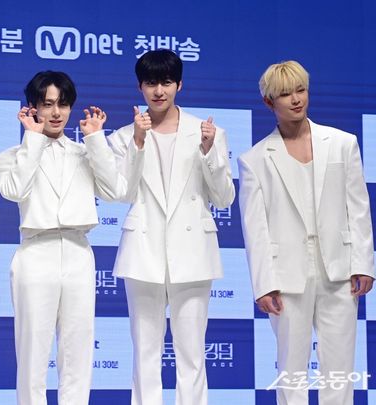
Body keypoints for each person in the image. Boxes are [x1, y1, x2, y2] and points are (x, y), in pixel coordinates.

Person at [238, 60, 375, 404]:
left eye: (301, 90)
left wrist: (363, 263)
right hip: (286, 276)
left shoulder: (342, 143)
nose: (296, 100)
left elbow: (358, 207)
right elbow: (255, 228)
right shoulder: (254, 159)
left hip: (339, 269)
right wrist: (263, 283)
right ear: (269, 102)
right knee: (291, 370)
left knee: (340, 368)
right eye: (286, 94)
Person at [108, 49, 235, 405]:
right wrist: (137, 143)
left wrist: (209, 152)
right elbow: (122, 193)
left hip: (192, 253)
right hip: (143, 251)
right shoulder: (123, 136)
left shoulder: (207, 132)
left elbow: (224, 197)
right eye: (151, 83)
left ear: (179, 84)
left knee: (192, 352)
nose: (158, 91)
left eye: (166, 82)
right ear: (140, 87)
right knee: (145, 352)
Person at [0, 71, 128, 405]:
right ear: (32, 107)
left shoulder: (86, 152)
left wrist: (96, 139)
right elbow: (14, 190)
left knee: (78, 351)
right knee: (33, 352)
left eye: (63, 104)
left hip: (79, 252)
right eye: (47, 104)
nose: (56, 113)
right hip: (35, 253)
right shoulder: (12, 155)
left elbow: (115, 191)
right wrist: (33, 139)